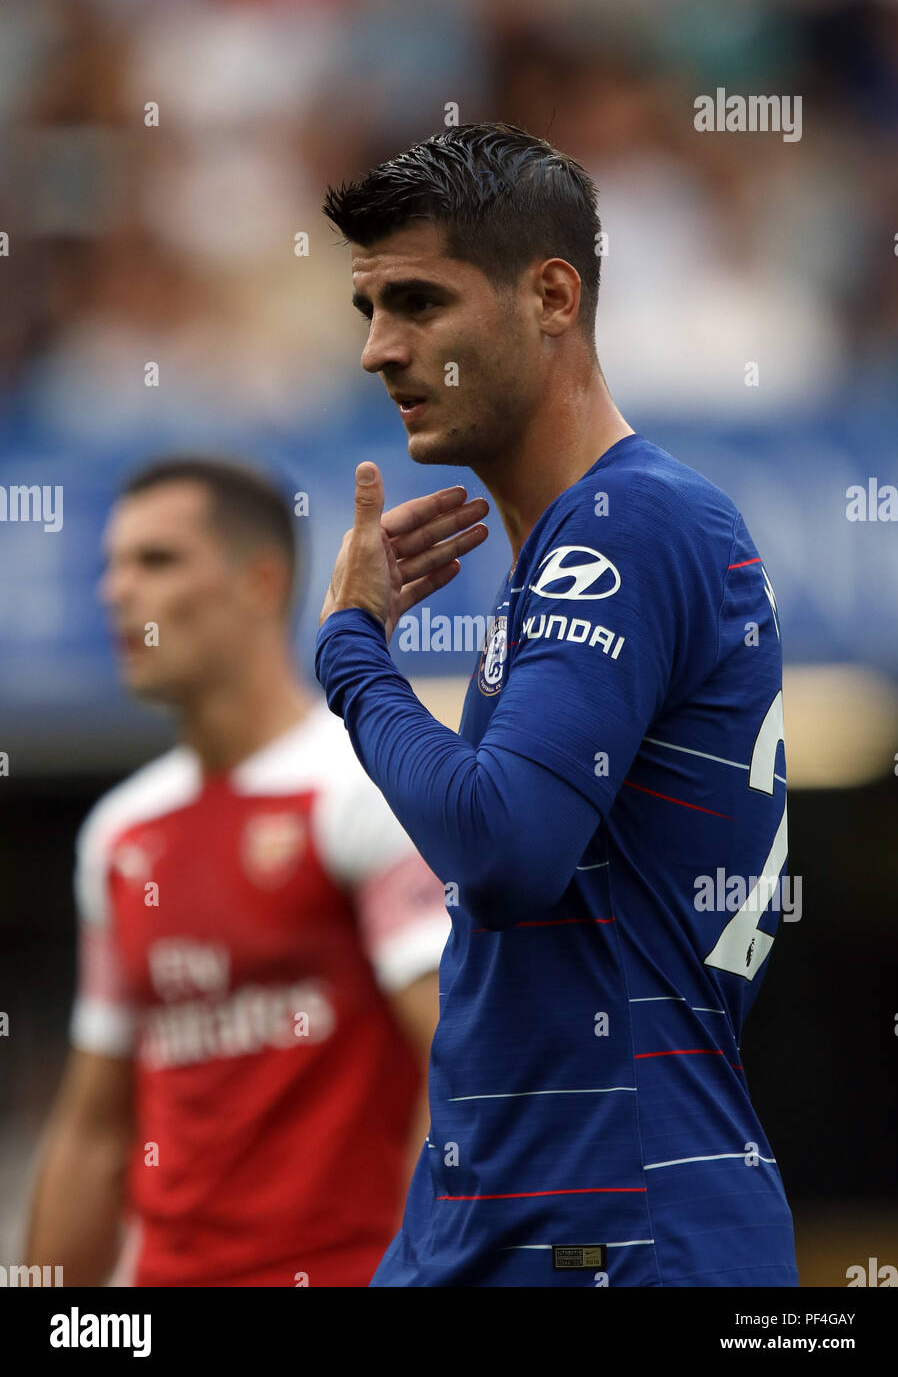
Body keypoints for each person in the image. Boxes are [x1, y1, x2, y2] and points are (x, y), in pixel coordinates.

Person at [314, 122, 799, 1286]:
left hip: (621, 1228)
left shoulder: (628, 524)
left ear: (549, 295)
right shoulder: (567, 554)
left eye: (419, 302)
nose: (380, 350)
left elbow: (503, 845)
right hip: (509, 1210)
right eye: (368, 310)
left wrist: (348, 653)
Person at [26, 457, 451, 1287]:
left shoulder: (362, 791)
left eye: (156, 561)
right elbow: (93, 1132)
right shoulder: (121, 835)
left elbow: (459, 1071)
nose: (117, 592)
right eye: (112, 566)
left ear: (260, 582)